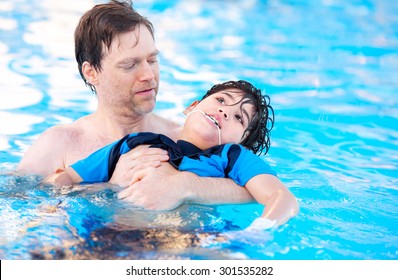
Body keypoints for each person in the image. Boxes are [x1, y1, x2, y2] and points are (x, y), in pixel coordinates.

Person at [16, 0, 254, 210]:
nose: (149, 75)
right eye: (130, 65)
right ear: (91, 73)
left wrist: (188, 185)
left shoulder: (191, 139)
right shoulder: (61, 144)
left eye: (152, 59)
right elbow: (17, 202)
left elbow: (263, 191)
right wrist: (110, 188)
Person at [46, 80, 299, 228]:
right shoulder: (136, 143)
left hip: (189, 242)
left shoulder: (232, 157)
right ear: (192, 107)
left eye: (238, 118)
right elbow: (65, 179)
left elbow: (283, 199)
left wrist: (255, 234)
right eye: (221, 101)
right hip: (114, 229)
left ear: (242, 141)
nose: (224, 112)